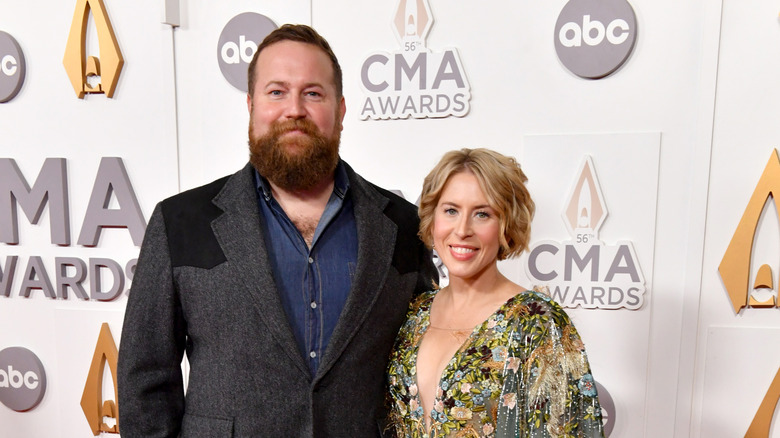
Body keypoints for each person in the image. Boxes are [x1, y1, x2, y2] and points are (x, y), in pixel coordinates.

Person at [117, 24, 437, 437]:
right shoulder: (180, 222)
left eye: (313, 93)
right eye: (277, 92)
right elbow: (145, 381)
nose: (294, 110)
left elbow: (423, 360)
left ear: (340, 109)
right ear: (251, 105)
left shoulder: (402, 225)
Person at [386, 148, 604, 437]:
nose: (462, 229)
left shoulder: (535, 321)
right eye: (451, 210)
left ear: (506, 223)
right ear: (432, 217)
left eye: (482, 214)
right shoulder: (414, 313)